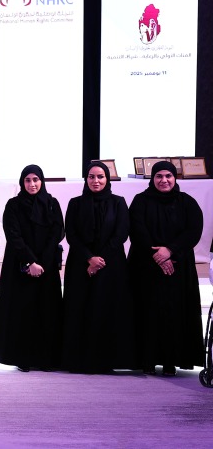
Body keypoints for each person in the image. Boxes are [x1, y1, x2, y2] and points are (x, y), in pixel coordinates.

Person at [128, 160, 204, 376]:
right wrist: (159, 256)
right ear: (152, 179)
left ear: (175, 178)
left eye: (168, 176)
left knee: (175, 313)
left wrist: (169, 251)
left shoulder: (187, 202)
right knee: (147, 312)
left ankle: (172, 360)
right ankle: (147, 360)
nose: (164, 180)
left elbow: (193, 231)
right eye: (159, 176)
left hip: (178, 267)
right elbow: (136, 229)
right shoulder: (141, 201)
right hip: (145, 266)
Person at [0, 164, 64, 372]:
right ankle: (23, 358)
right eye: (28, 180)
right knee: (23, 312)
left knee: (47, 311)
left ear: (42, 181)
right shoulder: (13, 205)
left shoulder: (51, 203)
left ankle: (47, 358)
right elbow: (13, 235)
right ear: (22, 182)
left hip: (45, 268)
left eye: (36, 180)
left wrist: (43, 263)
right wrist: (30, 262)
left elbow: (58, 232)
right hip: (20, 266)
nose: (32, 184)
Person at [61, 161, 134, 374]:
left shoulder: (119, 202)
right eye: (91, 177)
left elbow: (121, 233)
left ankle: (106, 361)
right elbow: (71, 234)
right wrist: (89, 258)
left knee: (106, 308)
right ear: (86, 179)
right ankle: (78, 361)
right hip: (80, 265)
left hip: (111, 265)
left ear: (107, 179)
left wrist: (100, 259)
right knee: (80, 309)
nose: (96, 181)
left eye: (100, 177)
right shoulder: (75, 203)